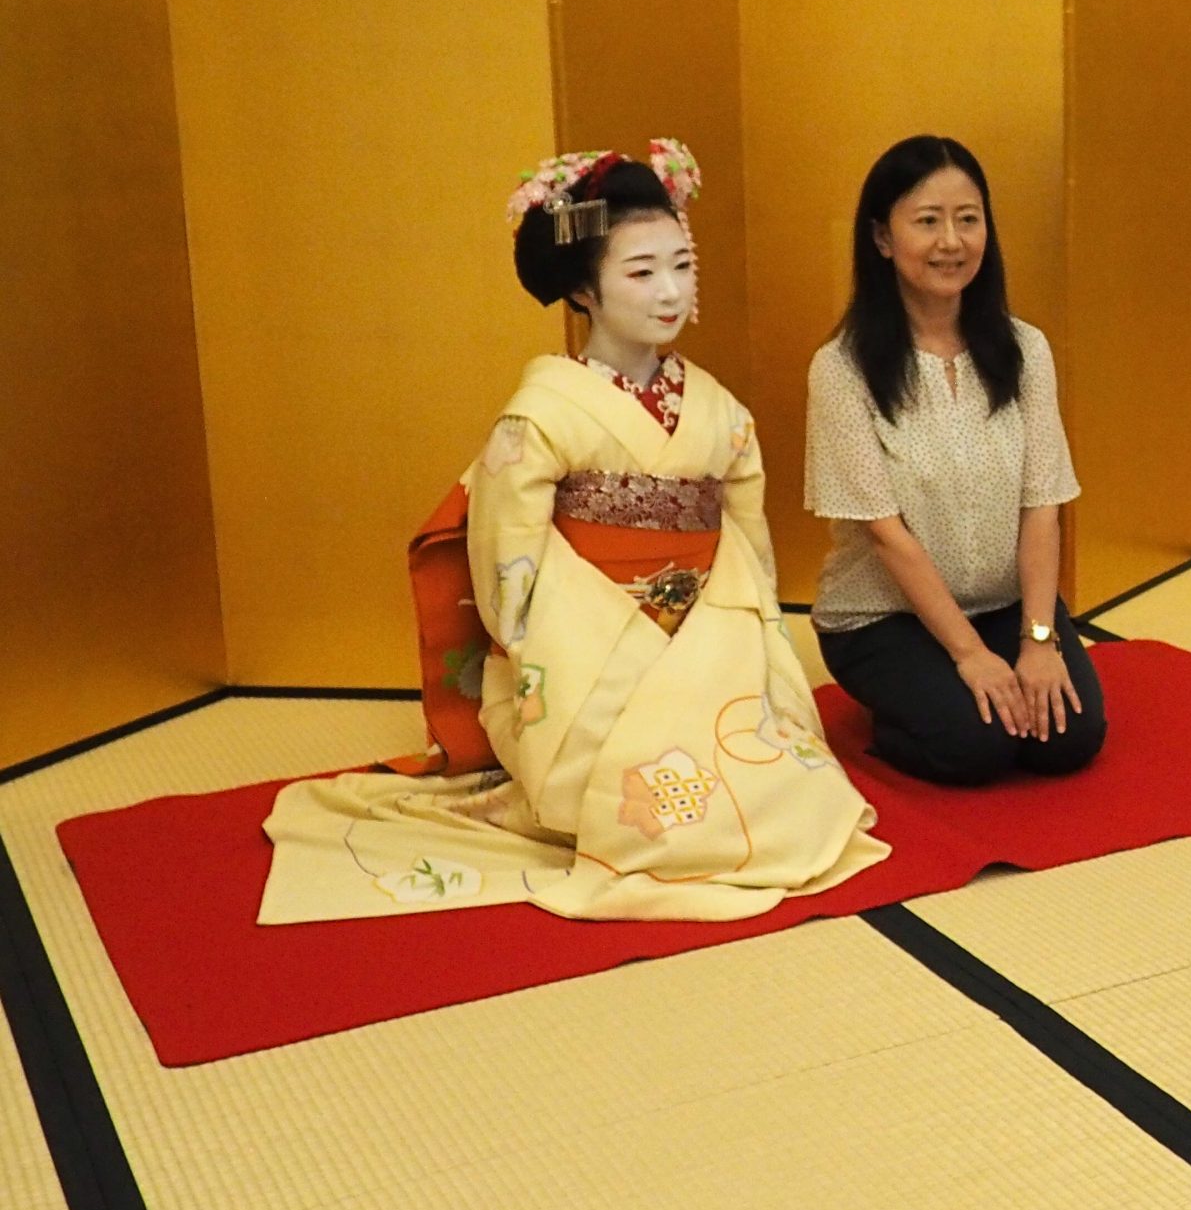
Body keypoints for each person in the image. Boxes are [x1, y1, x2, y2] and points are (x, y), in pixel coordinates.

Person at [261, 142, 890, 923]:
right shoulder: (547, 408)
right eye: (641, 272)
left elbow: (748, 538)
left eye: (680, 267)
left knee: (780, 775)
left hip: (710, 620)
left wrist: (744, 622)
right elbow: (508, 552)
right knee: (638, 781)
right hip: (583, 632)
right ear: (583, 289)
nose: (669, 291)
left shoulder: (720, 410)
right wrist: (532, 642)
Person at [804, 134, 1106, 785]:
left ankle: (972, 681)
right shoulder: (842, 368)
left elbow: (1042, 507)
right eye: (928, 221)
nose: (952, 241)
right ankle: (889, 719)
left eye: (968, 220)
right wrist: (969, 656)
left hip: (1003, 602)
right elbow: (886, 535)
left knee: (1070, 739)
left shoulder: (1026, 350)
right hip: (884, 615)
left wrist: (1038, 639)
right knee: (976, 747)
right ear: (883, 238)